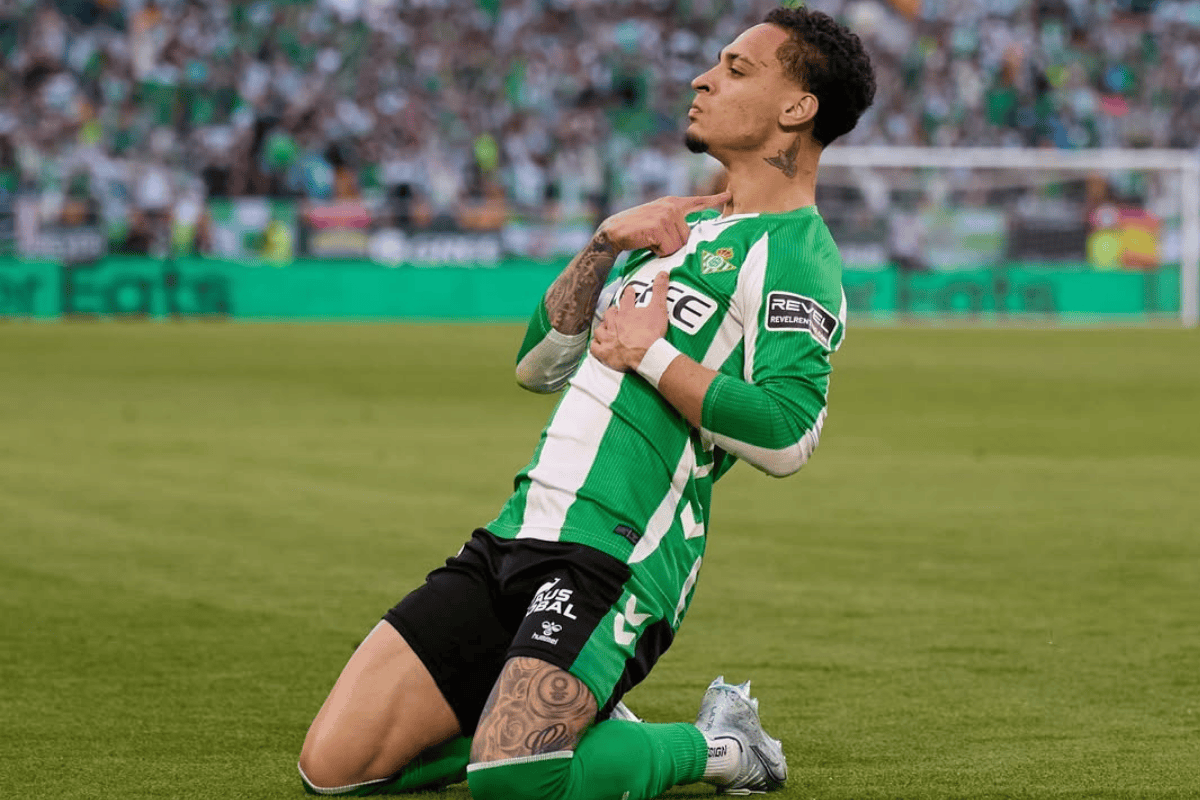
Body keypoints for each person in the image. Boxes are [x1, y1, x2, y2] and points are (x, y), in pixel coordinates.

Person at [297, 7, 875, 799]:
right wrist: (603, 244)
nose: (704, 78)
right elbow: (536, 367)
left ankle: (722, 746)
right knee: (331, 772)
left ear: (798, 107)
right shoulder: (677, 225)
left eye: (737, 69)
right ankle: (573, 720)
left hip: (619, 552)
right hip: (515, 533)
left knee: (513, 778)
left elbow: (787, 435)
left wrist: (650, 353)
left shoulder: (797, 252)